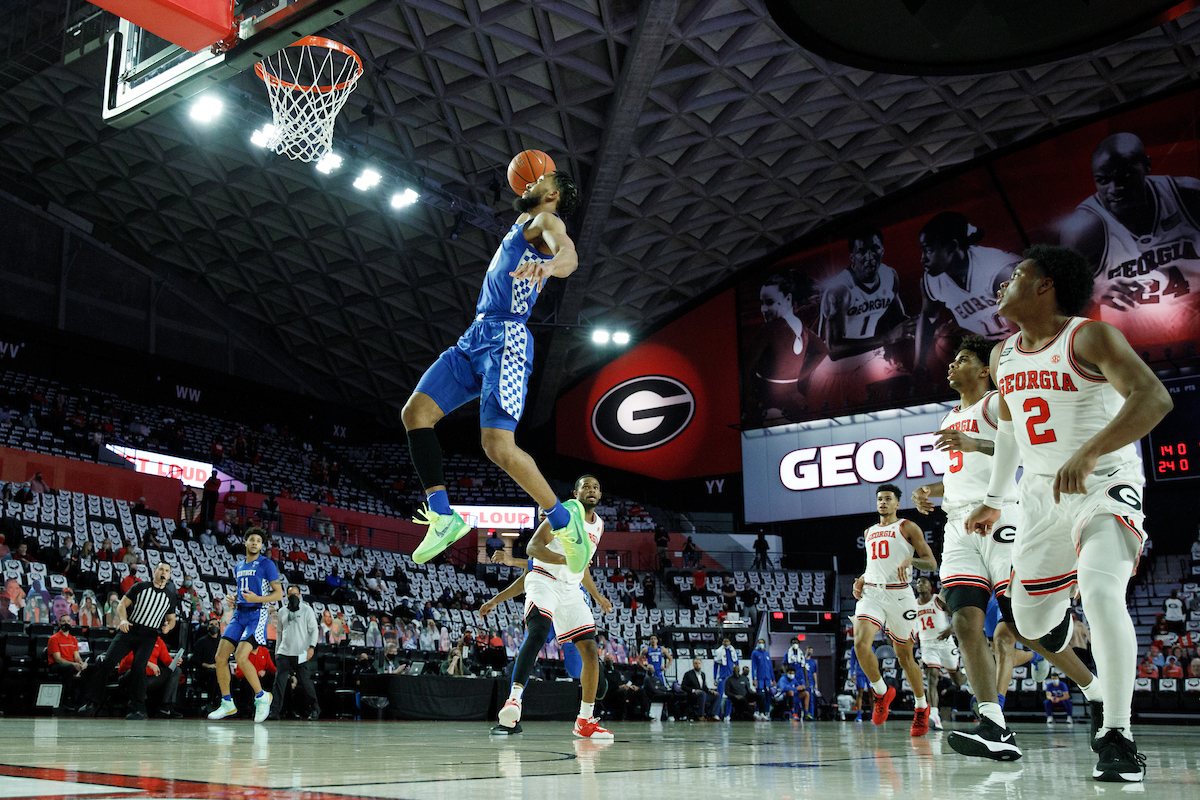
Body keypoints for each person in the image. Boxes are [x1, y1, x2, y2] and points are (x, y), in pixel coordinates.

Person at [966, 244, 1172, 783]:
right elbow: (1010, 431)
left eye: (1016, 274)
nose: (1002, 284)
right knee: (1029, 621)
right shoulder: (1002, 355)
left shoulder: (1089, 336)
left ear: (1044, 286)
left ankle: (1118, 734)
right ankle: (1096, 686)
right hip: (1039, 497)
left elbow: (1153, 398)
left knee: (1103, 591)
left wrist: (1091, 450)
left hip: (1106, 483)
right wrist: (993, 497)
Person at [914, 333, 1102, 761]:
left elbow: (1024, 450)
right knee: (964, 618)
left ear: (983, 370)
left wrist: (975, 442)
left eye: (961, 359)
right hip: (958, 523)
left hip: (1002, 516)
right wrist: (933, 490)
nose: (951, 365)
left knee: (1022, 623)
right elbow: (965, 472)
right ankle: (992, 722)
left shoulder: (997, 403)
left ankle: (1095, 690)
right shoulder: (948, 417)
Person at [400, 169, 589, 569]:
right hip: (476, 334)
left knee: (497, 447)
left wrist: (550, 267)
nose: (530, 181)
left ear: (552, 194)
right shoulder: (523, 220)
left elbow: (569, 256)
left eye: (540, 180)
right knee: (415, 413)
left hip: (507, 339)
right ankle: (443, 517)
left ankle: (564, 522)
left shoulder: (547, 221)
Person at [486, 475, 614, 739]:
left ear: (600, 495)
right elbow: (534, 547)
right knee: (539, 631)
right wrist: (565, 558)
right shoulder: (565, 512)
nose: (591, 490)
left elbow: (581, 567)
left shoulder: (599, 526)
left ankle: (585, 720)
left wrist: (598, 596)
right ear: (575, 492)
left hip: (571, 589)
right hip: (543, 581)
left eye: (596, 487)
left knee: (590, 649)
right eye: (586, 486)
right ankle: (514, 701)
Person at [1059, 132, 1200, 358]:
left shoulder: (1188, 196)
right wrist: (1091, 295)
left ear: (1147, 165)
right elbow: (1063, 313)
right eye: (1103, 180)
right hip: (1132, 353)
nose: (1115, 188)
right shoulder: (1083, 228)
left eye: (1125, 176)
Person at [850, 483, 936, 736]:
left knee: (905, 657)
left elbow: (931, 563)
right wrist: (862, 579)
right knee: (860, 643)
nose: (883, 503)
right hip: (873, 593)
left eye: (888, 499)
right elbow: (873, 565)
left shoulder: (907, 527)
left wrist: (912, 559)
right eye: (880, 499)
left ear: (897, 503)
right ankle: (881, 692)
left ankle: (921, 707)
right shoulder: (869, 531)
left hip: (900, 595)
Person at [812, 229, 914, 408]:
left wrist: (919, 326)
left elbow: (899, 320)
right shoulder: (841, 289)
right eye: (862, 252)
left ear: (882, 250)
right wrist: (887, 338)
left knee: (904, 388)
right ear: (852, 257)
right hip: (835, 370)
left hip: (869, 358)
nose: (869, 256)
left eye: (874, 249)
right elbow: (833, 348)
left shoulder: (889, 276)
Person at [913, 212, 1020, 376]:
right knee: (945, 339)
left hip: (1020, 339)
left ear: (952, 247)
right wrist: (919, 364)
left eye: (928, 251)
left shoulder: (998, 269)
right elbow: (928, 316)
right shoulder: (931, 280)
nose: (922, 259)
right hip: (988, 346)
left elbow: (1027, 324)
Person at [78, 561, 178, 720]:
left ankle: (138, 709)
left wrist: (168, 627)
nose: (163, 572)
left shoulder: (170, 596)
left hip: (149, 635)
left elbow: (171, 619)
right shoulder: (140, 587)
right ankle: (92, 703)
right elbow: (121, 605)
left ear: (169, 575)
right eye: (161, 569)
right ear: (155, 571)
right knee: (107, 662)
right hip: (130, 629)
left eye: (167, 570)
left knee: (139, 668)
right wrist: (123, 620)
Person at [207, 527, 284, 723]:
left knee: (241, 656)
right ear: (246, 542)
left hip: (257, 614)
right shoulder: (238, 566)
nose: (255, 543)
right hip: (239, 613)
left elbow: (278, 594)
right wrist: (233, 597)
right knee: (220, 657)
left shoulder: (267, 564)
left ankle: (261, 696)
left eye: (259, 540)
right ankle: (227, 703)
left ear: (261, 545)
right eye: (252, 539)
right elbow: (242, 591)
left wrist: (258, 598)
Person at [741, 271, 827, 423]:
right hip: (795, 401)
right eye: (762, 303)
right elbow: (822, 351)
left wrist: (751, 400)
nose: (763, 309)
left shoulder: (770, 329)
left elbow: (745, 365)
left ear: (788, 299)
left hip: (770, 404)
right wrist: (799, 376)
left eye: (769, 302)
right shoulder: (802, 328)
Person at [913, 577, 966, 731]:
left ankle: (966, 676)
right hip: (927, 645)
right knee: (932, 677)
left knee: (958, 682)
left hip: (945, 643)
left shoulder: (938, 600)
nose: (920, 584)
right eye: (918, 583)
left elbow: (957, 615)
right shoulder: (913, 605)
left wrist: (951, 629)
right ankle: (934, 714)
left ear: (931, 586)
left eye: (924, 581)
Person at [269, 585, 320, 721]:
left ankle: (315, 709)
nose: (293, 597)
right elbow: (279, 633)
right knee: (279, 683)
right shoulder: (281, 611)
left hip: (302, 652)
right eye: (290, 594)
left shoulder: (307, 610)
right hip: (284, 652)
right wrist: (277, 651)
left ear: (300, 595)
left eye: (295, 594)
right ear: (286, 596)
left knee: (305, 681)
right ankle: (275, 711)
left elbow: (314, 630)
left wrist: (311, 647)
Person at [117, 634, 183, 718]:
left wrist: (175, 661)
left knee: (175, 671)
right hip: (129, 676)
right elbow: (129, 659)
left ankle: (165, 707)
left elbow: (167, 660)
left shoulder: (158, 641)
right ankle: (138, 708)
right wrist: (147, 663)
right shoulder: (134, 638)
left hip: (150, 677)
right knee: (138, 669)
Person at [47, 614, 87, 705]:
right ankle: (66, 700)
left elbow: (76, 657)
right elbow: (58, 659)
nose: (66, 623)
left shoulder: (73, 639)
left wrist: (81, 663)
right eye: (64, 621)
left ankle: (82, 701)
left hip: (71, 665)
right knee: (68, 667)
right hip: (56, 665)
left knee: (89, 668)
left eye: (68, 621)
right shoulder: (54, 639)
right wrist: (74, 665)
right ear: (59, 623)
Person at [713, 636, 739, 721]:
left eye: (727, 641)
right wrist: (714, 678)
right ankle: (717, 713)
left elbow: (737, 664)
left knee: (730, 696)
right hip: (722, 677)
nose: (725, 643)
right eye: (724, 641)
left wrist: (737, 676)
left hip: (731, 677)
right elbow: (715, 666)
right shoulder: (719, 652)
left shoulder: (733, 652)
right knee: (719, 696)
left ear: (730, 642)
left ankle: (728, 714)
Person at [750, 638, 773, 720]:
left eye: (762, 643)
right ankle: (758, 711)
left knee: (767, 695)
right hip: (759, 678)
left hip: (767, 678)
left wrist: (773, 678)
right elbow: (753, 666)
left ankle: (767, 712)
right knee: (759, 695)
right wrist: (754, 678)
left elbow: (770, 667)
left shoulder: (767, 653)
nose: (761, 644)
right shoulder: (755, 653)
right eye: (759, 642)